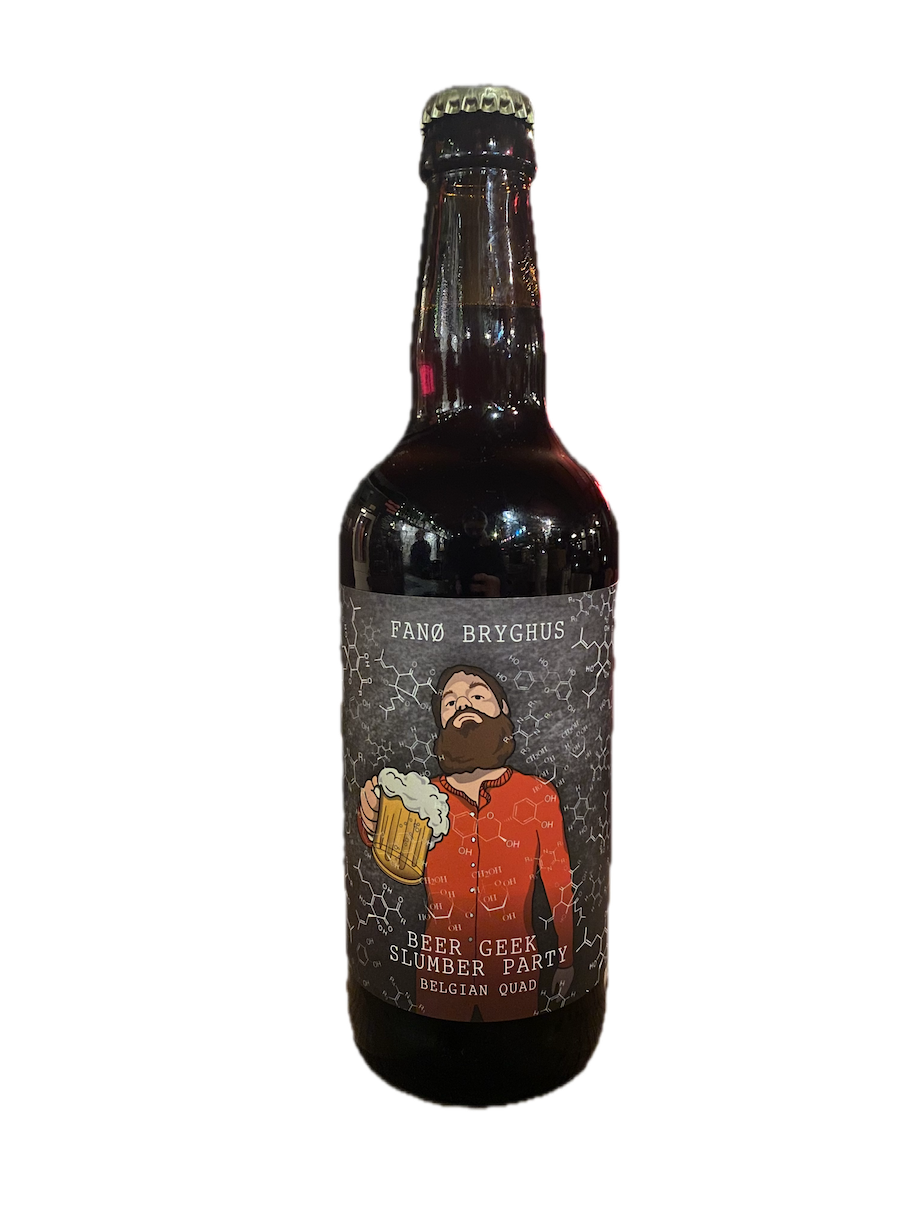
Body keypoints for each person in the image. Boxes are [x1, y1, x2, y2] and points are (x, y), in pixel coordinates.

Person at [358, 665, 574, 1021]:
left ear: (503, 709)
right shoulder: (421, 800)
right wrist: (370, 817)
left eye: (477, 695)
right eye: (450, 702)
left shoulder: (537, 796)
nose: (462, 704)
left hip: (513, 972)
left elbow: (559, 880)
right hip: (438, 969)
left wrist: (566, 959)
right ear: (441, 723)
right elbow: (386, 843)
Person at [443, 508, 508, 597]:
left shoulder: (492, 546)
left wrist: (493, 581)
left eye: (478, 529)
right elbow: (447, 568)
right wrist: (455, 580)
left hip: (485, 593)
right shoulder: (455, 544)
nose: (474, 533)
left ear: (484, 526)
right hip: (462, 593)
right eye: (470, 529)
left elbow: (502, 571)